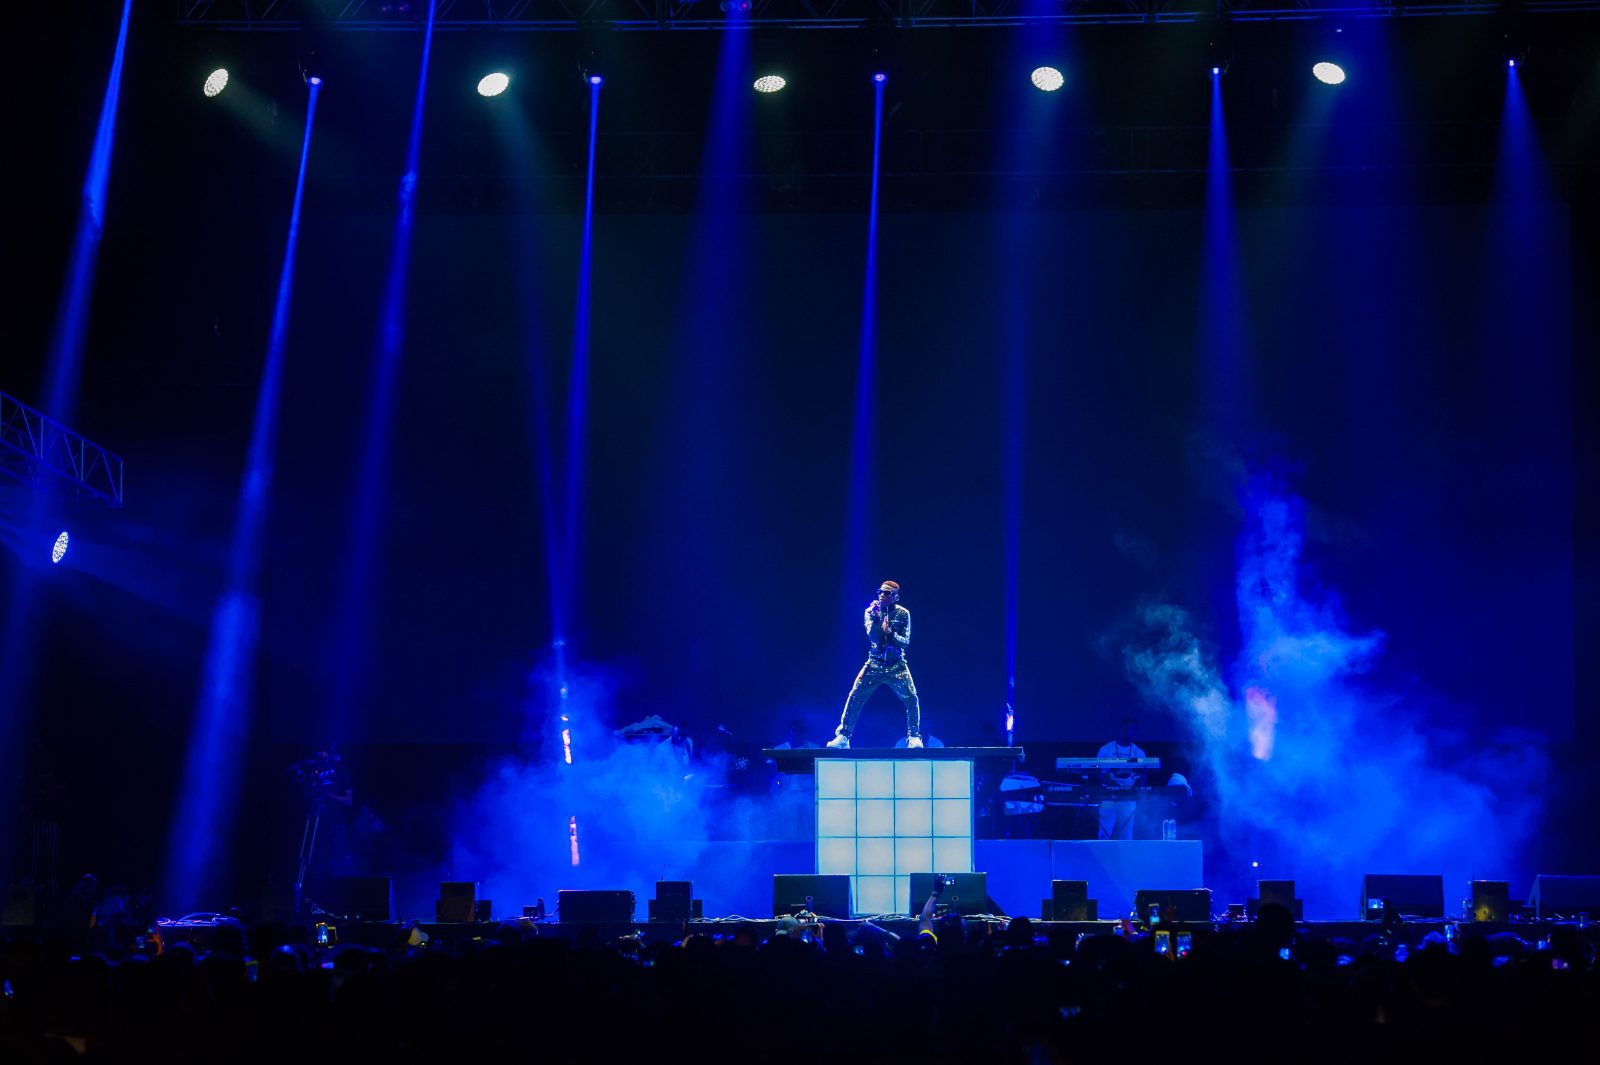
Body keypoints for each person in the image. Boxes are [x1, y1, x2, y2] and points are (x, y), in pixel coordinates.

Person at [827, 581, 923, 749]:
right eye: (880, 592)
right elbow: (873, 637)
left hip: (897, 665)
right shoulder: (870, 612)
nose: (882, 595)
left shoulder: (903, 614)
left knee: (911, 697)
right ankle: (843, 736)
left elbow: (905, 642)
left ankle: (914, 736)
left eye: (887, 593)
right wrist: (877, 619)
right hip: (875, 663)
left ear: (895, 597)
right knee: (856, 695)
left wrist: (890, 633)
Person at [1096, 717, 1147, 840]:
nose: (1127, 731)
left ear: (1135, 732)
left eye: (1130, 729)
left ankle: (1124, 858)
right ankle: (1102, 857)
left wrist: (1134, 791)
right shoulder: (1106, 750)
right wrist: (1116, 786)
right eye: (1125, 728)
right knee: (1104, 834)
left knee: (1126, 835)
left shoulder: (1139, 753)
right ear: (1119, 729)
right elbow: (1099, 774)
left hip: (1129, 799)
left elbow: (1143, 776)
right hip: (1108, 798)